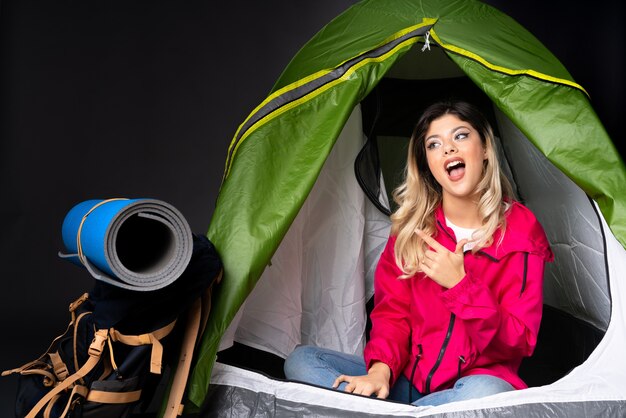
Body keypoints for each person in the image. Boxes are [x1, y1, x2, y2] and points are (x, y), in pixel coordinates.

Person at [283, 101, 553, 406]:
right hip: (408, 380)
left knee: (488, 396)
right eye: (434, 144)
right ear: (427, 164)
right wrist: (380, 372)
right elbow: (393, 315)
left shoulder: (520, 230)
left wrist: (461, 286)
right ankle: (406, 412)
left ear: (486, 148)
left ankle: (386, 413)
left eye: (461, 136)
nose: (448, 149)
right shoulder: (412, 231)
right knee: (302, 361)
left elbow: (519, 341)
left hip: (471, 387)